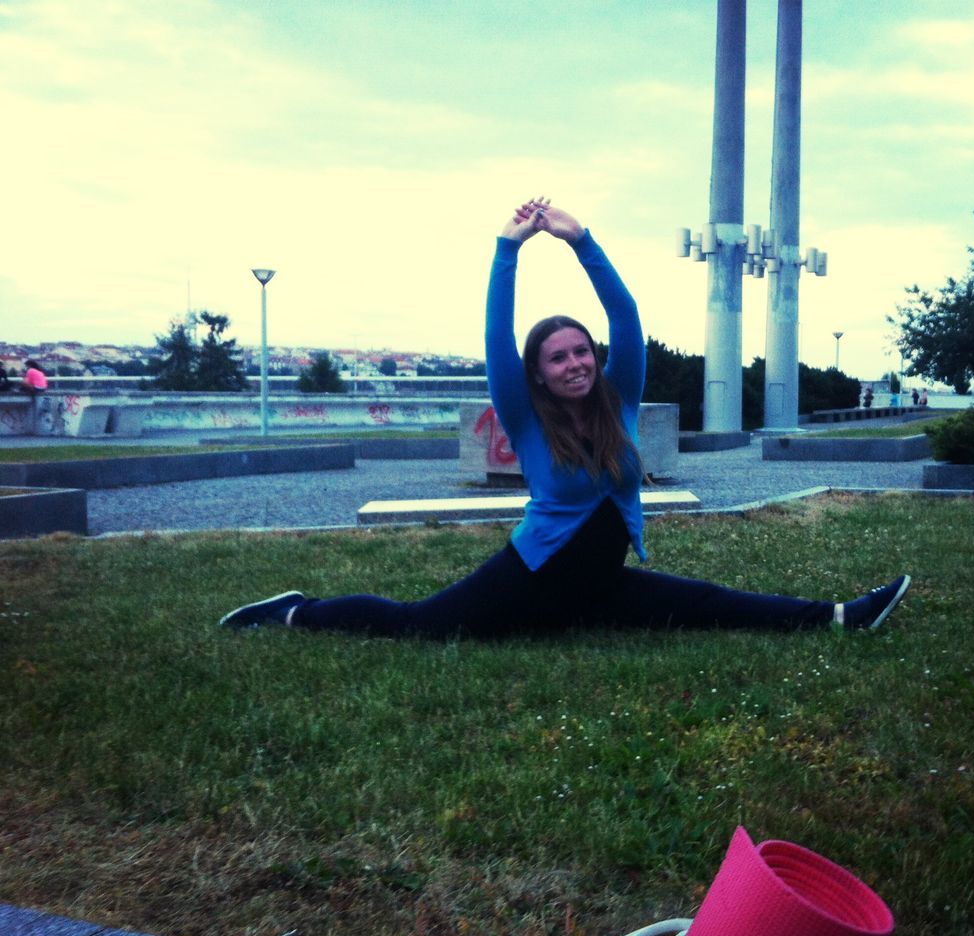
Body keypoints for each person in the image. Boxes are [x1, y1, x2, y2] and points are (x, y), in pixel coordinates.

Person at [220, 199, 910, 638]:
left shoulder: (620, 398)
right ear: (540, 372)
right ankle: (294, 611)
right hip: (535, 573)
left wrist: (583, 242)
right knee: (420, 625)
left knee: (703, 602)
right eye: (559, 357)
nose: (577, 363)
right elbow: (497, 338)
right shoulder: (526, 418)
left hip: (595, 583)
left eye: (582, 351)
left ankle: (841, 617)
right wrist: (507, 250)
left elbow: (628, 320)